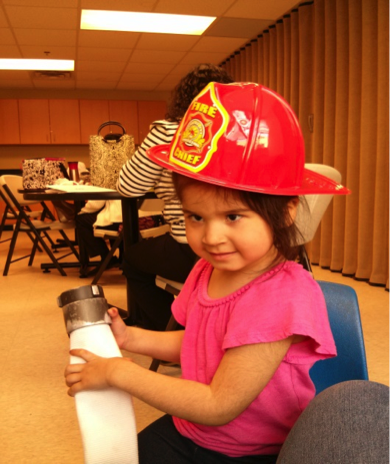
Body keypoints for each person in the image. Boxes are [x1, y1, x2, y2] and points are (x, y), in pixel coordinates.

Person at [65, 82, 350, 464]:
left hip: (253, 449)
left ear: (285, 212)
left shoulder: (281, 296)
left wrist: (119, 374)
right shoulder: (206, 269)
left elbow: (219, 405)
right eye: (195, 217)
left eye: (233, 216)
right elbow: (197, 343)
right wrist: (130, 337)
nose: (211, 237)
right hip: (192, 426)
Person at [116, 63, 234, 330]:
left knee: (133, 259)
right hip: (240, 246)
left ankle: (170, 332)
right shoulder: (238, 134)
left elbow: (128, 186)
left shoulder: (171, 132)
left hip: (191, 248)